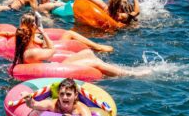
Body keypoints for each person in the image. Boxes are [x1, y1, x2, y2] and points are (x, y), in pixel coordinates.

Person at [11, 13, 143, 77]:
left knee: (87, 53)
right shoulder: (32, 52)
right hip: (56, 72)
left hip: (54, 67)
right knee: (95, 62)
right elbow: (51, 50)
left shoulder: (27, 47)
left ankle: (111, 70)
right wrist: (43, 32)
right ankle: (129, 73)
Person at [23, 77, 95, 116]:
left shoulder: (82, 109)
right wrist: (29, 99)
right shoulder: (52, 104)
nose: (64, 97)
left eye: (68, 94)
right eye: (62, 94)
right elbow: (34, 104)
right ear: (58, 94)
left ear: (75, 95)